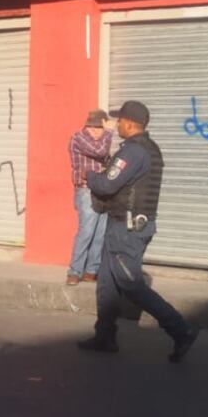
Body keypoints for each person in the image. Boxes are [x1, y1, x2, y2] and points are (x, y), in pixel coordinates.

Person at [78, 100, 200, 363]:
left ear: (131, 123)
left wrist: (90, 177)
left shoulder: (132, 152)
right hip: (126, 224)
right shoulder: (149, 149)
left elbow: (108, 185)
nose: (117, 124)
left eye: (119, 120)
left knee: (130, 284)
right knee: (107, 284)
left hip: (127, 228)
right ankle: (105, 337)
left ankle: (181, 329)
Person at [66, 109, 113, 286]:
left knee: (100, 233)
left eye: (102, 129)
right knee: (86, 231)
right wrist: (109, 132)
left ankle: (91, 271)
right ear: (92, 126)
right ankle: (75, 271)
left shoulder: (102, 140)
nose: (100, 132)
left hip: (102, 190)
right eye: (100, 127)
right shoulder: (79, 138)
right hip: (86, 190)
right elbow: (100, 152)